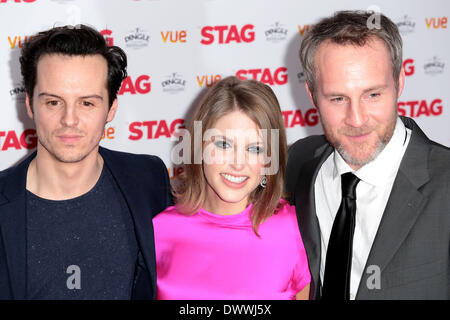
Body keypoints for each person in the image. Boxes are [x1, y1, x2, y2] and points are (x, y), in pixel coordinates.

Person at [286, 10, 450, 300]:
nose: (357, 118)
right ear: (312, 96)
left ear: (399, 83)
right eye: (338, 98)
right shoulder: (298, 163)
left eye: (372, 95)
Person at [0, 25, 171, 299]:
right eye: (54, 102)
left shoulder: (149, 180)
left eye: (87, 103)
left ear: (111, 108)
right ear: (30, 104)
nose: (70, 119)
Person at [153, 76, 311, 300]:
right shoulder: (158, 231)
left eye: (255, 149)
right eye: (224, 144)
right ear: (199, 146)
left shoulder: (297, 229)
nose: (238, 163)